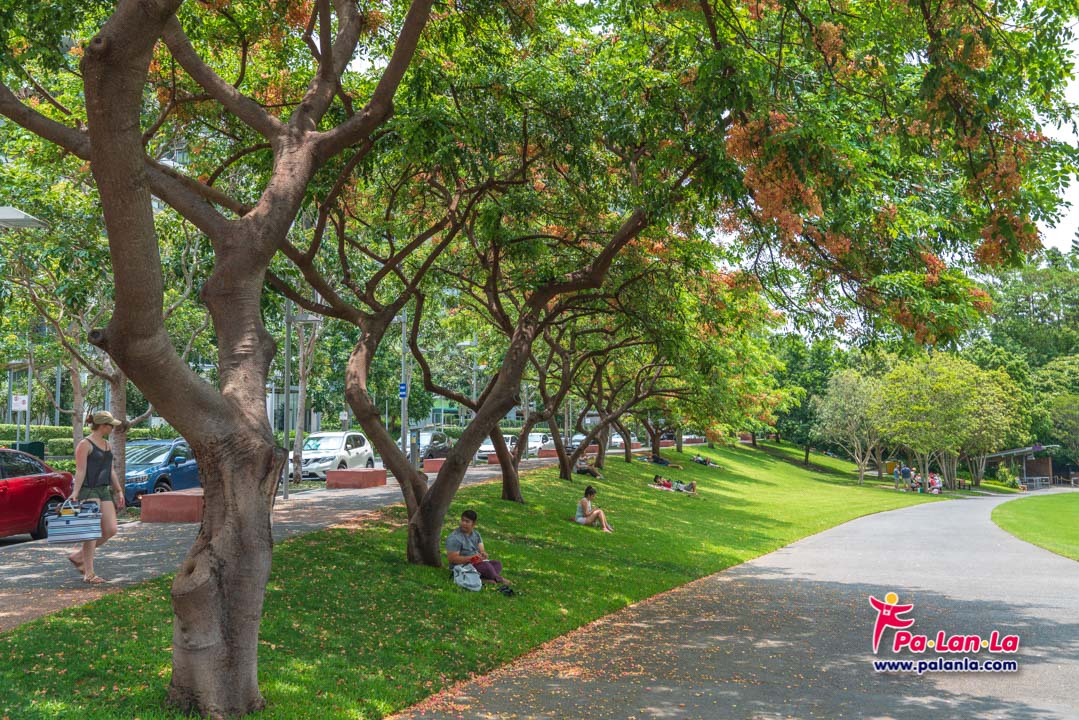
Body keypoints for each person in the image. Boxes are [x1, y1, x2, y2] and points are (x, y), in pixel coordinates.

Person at [67, 411, 125, 584]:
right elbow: (80, 471)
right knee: (91, 532)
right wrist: (75, 493)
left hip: (103, 489)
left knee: (111, 528)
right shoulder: (85, 444)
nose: (113, 428)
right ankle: (89, 573)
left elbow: (111, 470)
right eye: (111, 425)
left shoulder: (108, 445)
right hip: (88, 490)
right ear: (103, 425)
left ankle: (78, 556)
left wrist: (119, 490)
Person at [445, 510, 512, 592]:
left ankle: (482, 578)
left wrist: (483, 554)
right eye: (462, 520)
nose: (463, 523)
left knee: (497, 564)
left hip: (476, 562)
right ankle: (499, 579)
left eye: (467, 521)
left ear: (473, 524)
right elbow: (452, 559)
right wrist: (470, 558)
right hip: (463, 565)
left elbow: (481, 549)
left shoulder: (476, 534)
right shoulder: (454, 537)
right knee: (487, 567)